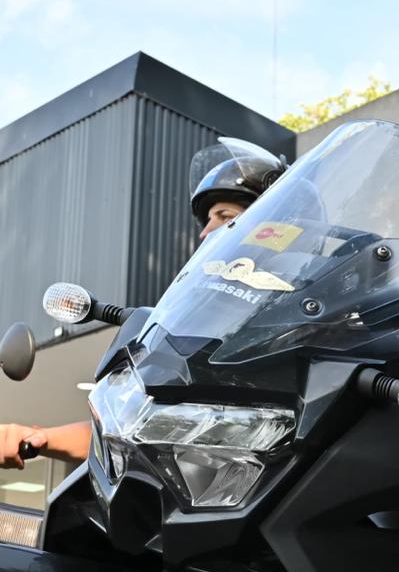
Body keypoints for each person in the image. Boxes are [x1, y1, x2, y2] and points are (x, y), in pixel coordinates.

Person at [0, 139, 286, 471]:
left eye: (223, 216)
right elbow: (130, 428)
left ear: (276, 227)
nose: (205, 232)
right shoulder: (196, 332)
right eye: (208, 219)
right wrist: (41, 438)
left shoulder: (323, 307)